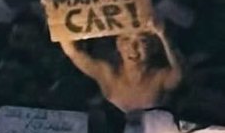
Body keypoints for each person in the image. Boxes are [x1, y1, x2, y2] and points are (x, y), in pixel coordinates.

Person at [55, 26, 183, 113]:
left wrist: (163, 36)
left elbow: (179, 74)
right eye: (126, 39)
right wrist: (58, 18)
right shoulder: (108, 74)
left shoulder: (160, 77)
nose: (133, 47)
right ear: (118, 45)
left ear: (153, 47)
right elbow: (73, 53)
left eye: (142, 41)